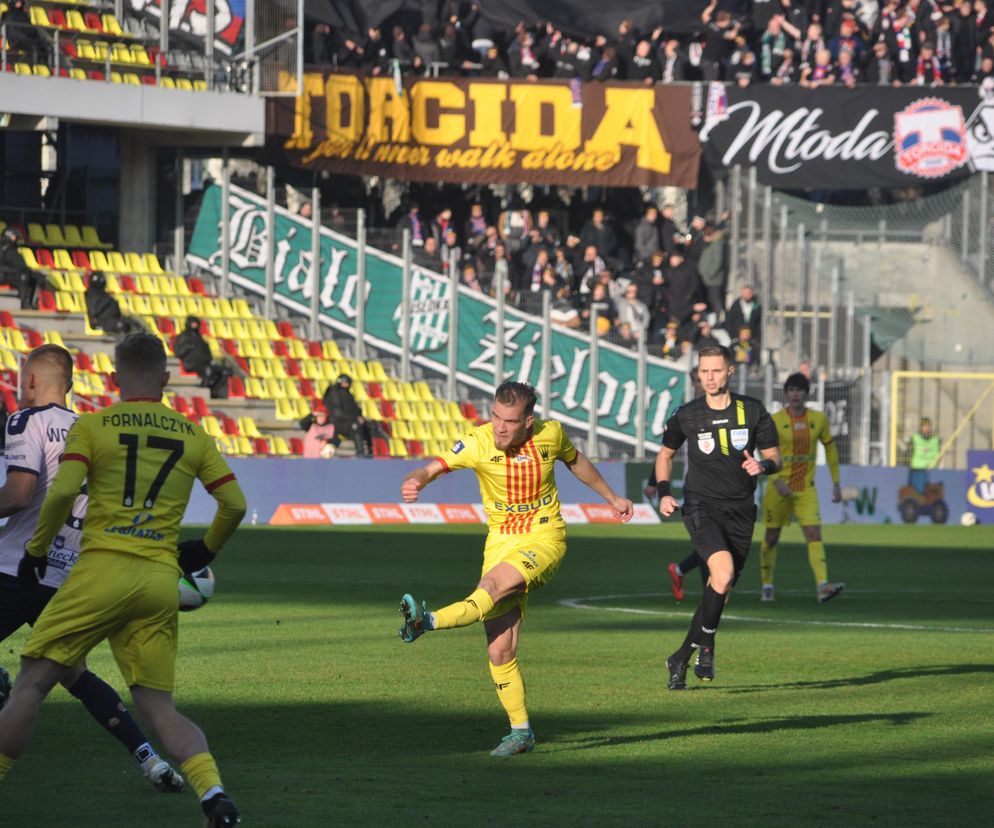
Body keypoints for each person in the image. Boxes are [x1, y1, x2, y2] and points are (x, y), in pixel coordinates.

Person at [0, 333, 247, 826]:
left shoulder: (94, 426)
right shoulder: (193, 434)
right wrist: (206, 547)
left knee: (30, 684)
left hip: (99, 573)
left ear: (114, 379)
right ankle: (213, 795)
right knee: (159, 707)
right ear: (166, 378)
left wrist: (35, 549)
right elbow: (235, 504)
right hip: (158, 581)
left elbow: (58, 492)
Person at [397, 381, 633, 756]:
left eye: (509, 420)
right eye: (495, 417)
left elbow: (576, 461)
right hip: (500, 542)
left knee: (489, 588)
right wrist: (415, 481)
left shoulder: (550, 435)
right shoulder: (478, 442)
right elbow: (435, 467)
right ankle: (521, 733)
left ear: (528, 421)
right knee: (500, 651)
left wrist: (612, 497)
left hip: (543, 538)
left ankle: (425, 621)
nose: (499, 427)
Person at [0, 345, 183, 793]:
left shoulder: (26, 421)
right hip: (69, 578)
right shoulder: (95, 429)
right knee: (74, 675)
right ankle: (151, 760)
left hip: (17, 567)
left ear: (30, 382)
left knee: (40, 681)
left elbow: (19, 494)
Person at [655, 346, 780, 689]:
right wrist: (665, 491)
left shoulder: (753, 411)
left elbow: (774, 457)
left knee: (720, 590)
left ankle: (683, 655)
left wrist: (762, 465)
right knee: (722, 575)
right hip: (701, 506)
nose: (708, 377)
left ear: (730, 372)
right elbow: (665, 455)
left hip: (741, 511)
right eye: (703, 371)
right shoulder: (688, 414)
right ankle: (703, 648)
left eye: (715, 371)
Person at [759, 372, 845, 603]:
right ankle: (767, 584)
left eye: (799, 390)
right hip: (778, 488)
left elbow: (830, 449)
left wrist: (836, 483)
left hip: (806, 489)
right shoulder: (775, 420)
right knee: (772, 537)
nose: (795, 394)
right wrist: (776, 480)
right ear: (786, 393)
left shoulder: (818, 419)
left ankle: (822, 586)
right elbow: (764, 451)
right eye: (791, 390)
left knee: (814, 535)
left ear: (807, 393)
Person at [322, 373, 372, 457]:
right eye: (346, 382)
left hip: (349, 421)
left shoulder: (348, 394)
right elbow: (338, 414)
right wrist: (355, 418)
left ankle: (371, 452)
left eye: (348, 383)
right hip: (338, 423)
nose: (347, 384)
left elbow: (354, 410)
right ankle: (360, 454)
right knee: (355, 426)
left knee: (371, 425)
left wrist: (359, 417)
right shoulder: (334, 394)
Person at [84, 272, 145, 337]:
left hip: (114, 318)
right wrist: (107, 301)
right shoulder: (90, 295)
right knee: (121, 325)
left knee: (135, 323)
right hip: (102, 321)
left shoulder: (103, 294)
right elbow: (94, 312)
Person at [0, 228, 45, 310]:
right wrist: (18, 270)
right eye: (14, 236)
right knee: (23, 276)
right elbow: (3, 267)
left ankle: (33, 302)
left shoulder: (13, 247)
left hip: (14, 272)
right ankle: (24, 303)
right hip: (3, 275)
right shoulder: (3, 247)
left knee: (39, 277)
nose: (15, 239)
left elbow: (19, 264)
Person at [907, 416, 940, 494]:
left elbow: (939, 454)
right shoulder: (915, 438)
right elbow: (908, 452)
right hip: (917, 470)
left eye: (928, 426)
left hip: (932, 471)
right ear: (921, 428)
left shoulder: (936, 440)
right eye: (924, 426)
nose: (926, 429)